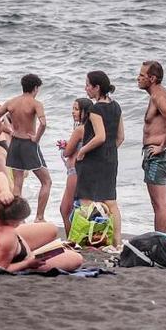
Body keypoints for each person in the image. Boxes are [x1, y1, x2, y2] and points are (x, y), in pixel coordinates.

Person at [0, 171, 82, 273]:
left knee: (52, 229)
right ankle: (32, 254)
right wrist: (27, 264)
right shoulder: (8, 237)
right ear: (15, 222)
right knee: (76, 258)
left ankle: (36, 249)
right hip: (13, 257)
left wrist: (4, 191)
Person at [76, 70, 125, 248]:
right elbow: (120, 137)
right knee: (110, 201)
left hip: (93, 160)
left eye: (88, 85)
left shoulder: (96, 109)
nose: (86, 88)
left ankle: (86, 239)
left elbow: (100, 136)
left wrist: (82, 151)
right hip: (111, 158)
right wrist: (109, 152)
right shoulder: (116, 106)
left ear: (97, 87)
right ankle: (117, 242)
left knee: (86, 199)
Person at [0, 74, 52, 222]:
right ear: (35, 88)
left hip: (15, 143)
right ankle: (39, 217)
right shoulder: (35, 103)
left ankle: (18, 219)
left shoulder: (12, 102)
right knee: (46, 181)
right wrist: (36, 138)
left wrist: (8, 130)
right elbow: (43, 123)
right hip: (29, 145)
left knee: (17, 183)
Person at [138, 61, 166, 234]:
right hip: (159, 155)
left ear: (152, 78)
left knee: (160, 203)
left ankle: (161, 242)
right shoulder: (160, 94)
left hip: (158, 155)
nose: (138, 78)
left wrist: (162, 145)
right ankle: (163, 240)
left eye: (142, 75)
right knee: (162, 203)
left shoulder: (158, 96)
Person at [58, 98, 92, 237]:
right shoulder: (91, 129)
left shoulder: (79, 129)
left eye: (77, 109)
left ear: (85, 112)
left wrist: (64, 147)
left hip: (74, 172)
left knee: (66, 209)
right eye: (73, 108)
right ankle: (77, 239)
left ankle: (72, 241)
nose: (73, 112)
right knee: (75, 208)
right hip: (83, 172)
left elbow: (67, 152)